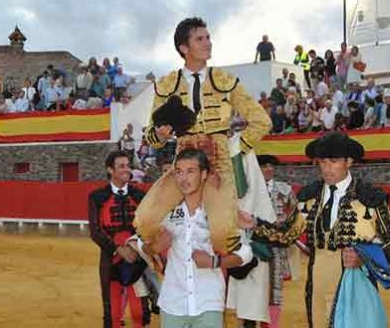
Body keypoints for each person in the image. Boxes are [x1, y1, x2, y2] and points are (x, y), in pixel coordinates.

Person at [135, 17, 272, 254]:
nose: (208, 43)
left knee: (222, 237)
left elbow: (262, 121)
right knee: (145, 222)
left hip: (218, 162)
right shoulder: (167, 84)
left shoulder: (225, 80)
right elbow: (151, 137)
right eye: (200, 39)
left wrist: (236, 148)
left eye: (208, 37)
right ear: (184, 48)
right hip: (183, 161)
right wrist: (159, 133)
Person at [251, 132, 390, 328]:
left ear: (349, 161)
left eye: (333, 161)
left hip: (355, 286)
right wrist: (253, 225)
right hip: (317, 286)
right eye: (322, 162)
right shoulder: (310, 196)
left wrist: (363, 258)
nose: (327, 168)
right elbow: (286, 234)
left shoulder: (370, 198)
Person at [136, 148, 254, 328]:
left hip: (209, 301)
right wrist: (153, 248)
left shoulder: (219, 211)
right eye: (179, 172)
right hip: (172, 302)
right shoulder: (166, 210)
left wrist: (213, 262)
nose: (183, 178)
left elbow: (246, 253)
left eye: (190, 171)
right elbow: (139, 241)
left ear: (204, 174)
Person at [239, 155, 301, 328]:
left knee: (274, 290)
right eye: (263, 165)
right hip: (251, 246)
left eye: (270, 166)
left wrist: (285, 230)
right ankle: (248, 324)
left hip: (275, 248)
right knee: (250, 287)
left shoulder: (284, 190)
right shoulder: (247, 191)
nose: (268, 169)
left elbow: (295, 216)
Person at [88, 151, 148, 328]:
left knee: (139, 312)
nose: (127, 170)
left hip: (136, 259)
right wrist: (119, 249)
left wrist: (135, 248)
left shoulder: (139, 196)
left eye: (128, 166)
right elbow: (95, 231)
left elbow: (146, 227)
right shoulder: (97, 197)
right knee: (113, 314)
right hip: (111, 259)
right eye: (121, 166)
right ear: (110, 170)